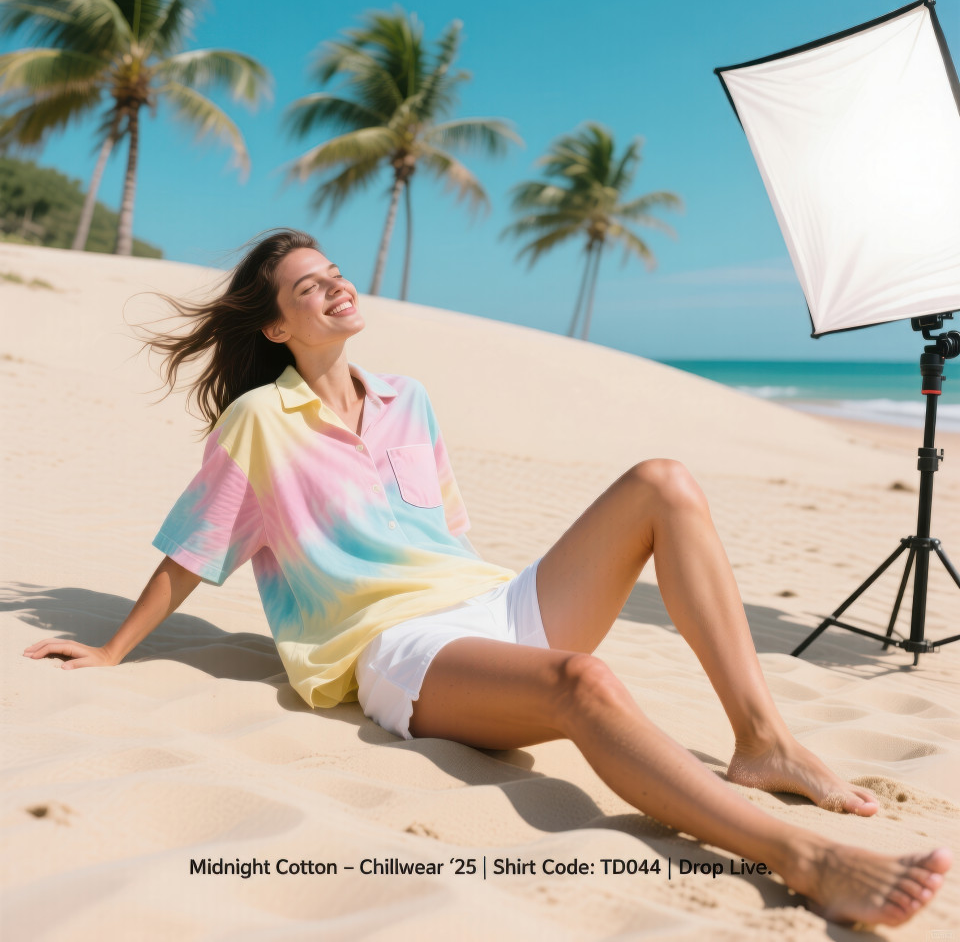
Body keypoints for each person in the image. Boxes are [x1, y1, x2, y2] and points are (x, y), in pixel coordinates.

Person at [24, 229, 950, 926]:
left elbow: (446, 530)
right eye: (310, 286)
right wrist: (112, 648)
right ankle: (801, 854)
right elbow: (193, 549)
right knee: (583, 681)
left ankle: (765, 741)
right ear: (277, 324)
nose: (336, 284)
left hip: (488, 599)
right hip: (398, 648)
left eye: (334, 270)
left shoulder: (407, 399)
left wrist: (508, 602)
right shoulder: (261, 422)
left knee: (662, 482)